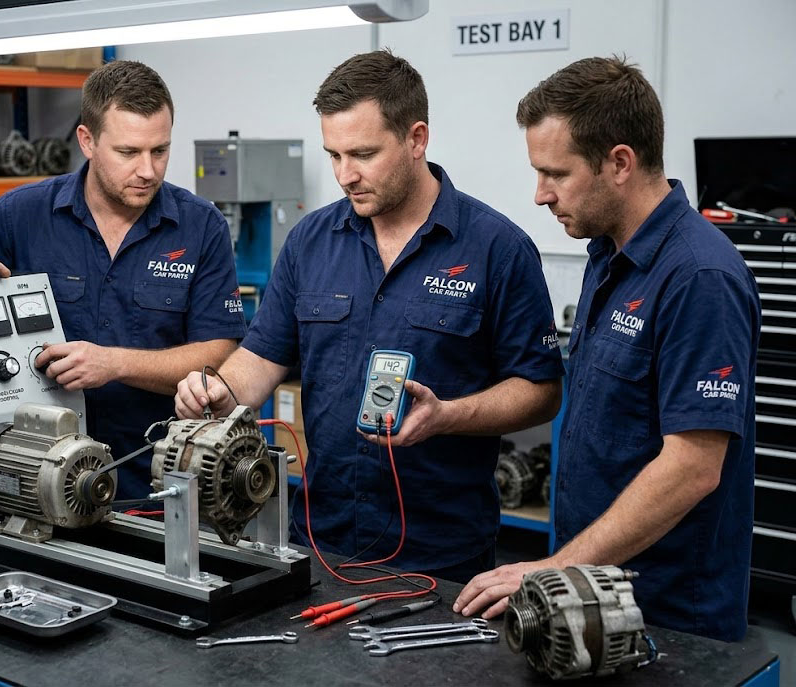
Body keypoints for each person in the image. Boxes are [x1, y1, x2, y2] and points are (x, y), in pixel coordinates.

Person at [174, 50, 563, 582]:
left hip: (442, 554)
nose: (344, 175)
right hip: (321, 537)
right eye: (333, 155)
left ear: (416, 139)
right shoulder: (310, 242)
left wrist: (449, 415)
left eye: (362, 153)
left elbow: (541, 390)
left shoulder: (498, 248)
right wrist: (220, 389)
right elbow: (262, 357)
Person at [453, 56, 760, 642]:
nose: (540, 194)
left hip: (668, 615)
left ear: (620, 162)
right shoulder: (608, 257)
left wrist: (550, 568)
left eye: (556, 173)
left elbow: (692, 468)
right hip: (595, 594)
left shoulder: (699, 277)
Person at [0, 60, 246, 498]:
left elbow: (219, 354)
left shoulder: (201, 226)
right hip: (35, 473)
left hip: (154, 479)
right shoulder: (23, 214)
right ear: (87, 141)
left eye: (160, 150)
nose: (148, 170)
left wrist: (114, 363)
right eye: (128, 152)